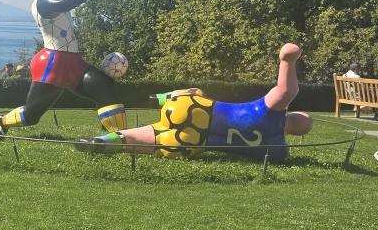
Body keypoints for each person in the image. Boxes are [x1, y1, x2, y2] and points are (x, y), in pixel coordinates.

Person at [75, 43, 312, 161]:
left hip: (197, 110)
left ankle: (106, 140)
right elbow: (285, 94)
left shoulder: (268, 114)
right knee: (155, 138)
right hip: (194, 141)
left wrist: (286, 61)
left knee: (190, 96)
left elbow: (285, 91)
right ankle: (106, 143)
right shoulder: (276, 149)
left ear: (293, 116)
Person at [0, 0, 127, 135]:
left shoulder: (52, 3)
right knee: (32, 115)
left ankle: (117, 137)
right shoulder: (42, 2)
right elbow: (64, 3)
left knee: (104, 86)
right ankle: (3, 121)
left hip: (73, 64)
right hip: (52, 64)